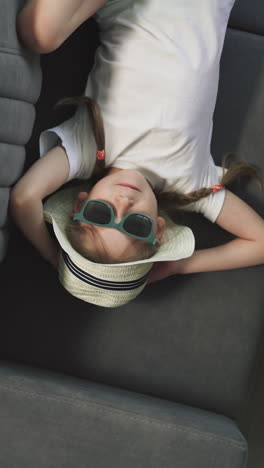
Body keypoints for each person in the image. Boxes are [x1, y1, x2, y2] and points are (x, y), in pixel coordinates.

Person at [10, 0, 264, 307]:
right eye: (136, 225)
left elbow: (24, 198)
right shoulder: (190, 182)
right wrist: (180, 265)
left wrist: (54, 257)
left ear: (81, 202)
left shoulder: (88, 148)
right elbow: (260, 242)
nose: (123, 204)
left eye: (100, 214)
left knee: (39, 34)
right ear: (158, 228)